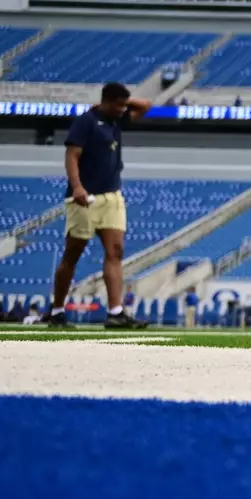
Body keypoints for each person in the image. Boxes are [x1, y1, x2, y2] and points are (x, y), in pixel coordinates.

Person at [49, 82, 151, 329]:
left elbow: (146, 106)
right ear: (106, 101)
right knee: (72, 254)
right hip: (85, 198)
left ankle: (116, 312)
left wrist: (122, 104)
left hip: (112, 197)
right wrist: (77, 187)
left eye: (123, 105)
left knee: (115, 251)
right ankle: (57, 311)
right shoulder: (86, 121)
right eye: (117, 105)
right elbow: (72, 156)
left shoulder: (117, 118)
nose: (122, 110)